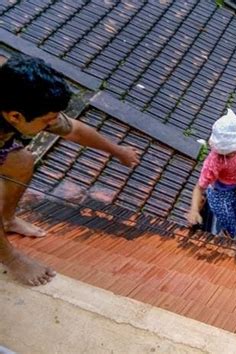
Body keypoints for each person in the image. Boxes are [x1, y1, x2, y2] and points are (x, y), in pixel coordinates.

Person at [0, 54, 139, 286]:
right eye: (46, 122)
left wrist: (117, 151)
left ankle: (8, 220)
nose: (50, 125)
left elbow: (72, 130)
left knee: (22, 162)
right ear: (14, 116)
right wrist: (13, 259)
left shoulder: (18, 91)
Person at [187, 109, 236, 238]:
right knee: (229, 225)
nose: (232, 154)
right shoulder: (215, 161)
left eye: (233, 150)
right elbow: (199, 188)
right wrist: (194, 210)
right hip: (220, 194)